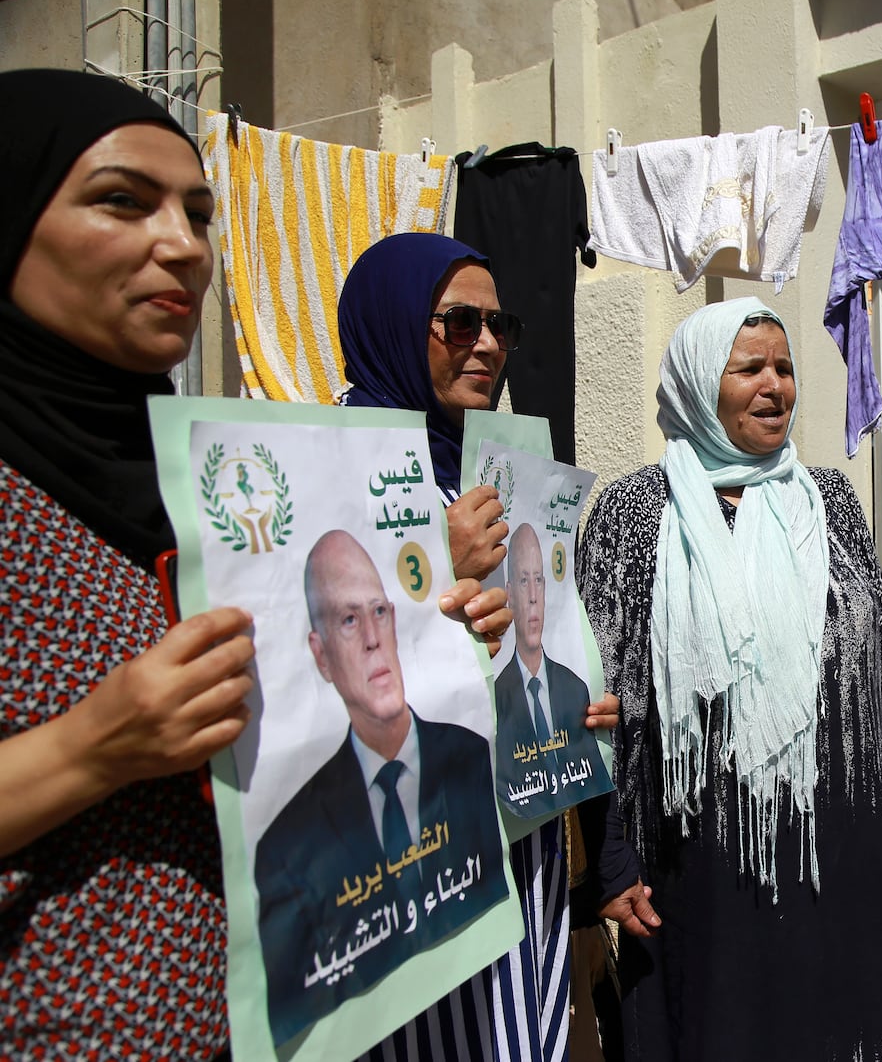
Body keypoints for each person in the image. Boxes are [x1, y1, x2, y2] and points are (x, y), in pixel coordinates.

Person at [0, 70, 504, 1058]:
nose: (183, 247)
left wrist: (438, 627)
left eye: (197, 213)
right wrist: (88, 747)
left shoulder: (208, 480)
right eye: (119, 201)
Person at [574, 298, 882, 1062]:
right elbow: (595, 704)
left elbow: (878, 638)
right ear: (697, 384)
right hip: (702, 861)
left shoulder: (829, 499)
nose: (775, 386)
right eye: (750, 368)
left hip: (836, 842)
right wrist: (609, 859)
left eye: (784, 368)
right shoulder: (632, 514)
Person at [336, 231, 618, 1062]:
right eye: (461, 322)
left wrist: (578, 706)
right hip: (415, 850)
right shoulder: (335, 460)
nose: (488, 344)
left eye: (501, 326)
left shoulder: (493, 463)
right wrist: (431, 563)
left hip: (517, 834)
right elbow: (311, 655)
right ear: (395, 322)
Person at [254, 529, 511, 1044]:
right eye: (348, 620)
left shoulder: (469, 757)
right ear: (321, 654)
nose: (372, 637)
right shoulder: (285, 847)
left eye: (378, 612)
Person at [496, 523, 609, 812]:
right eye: (523, 581)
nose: (533, 596)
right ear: (508, 593)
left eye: (538, 580)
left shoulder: (576, 688)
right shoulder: (496, 697)